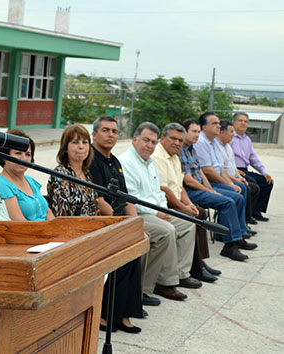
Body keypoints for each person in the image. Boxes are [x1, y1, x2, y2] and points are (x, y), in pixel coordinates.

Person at [119, 122, 198, 302]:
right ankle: (151, 287)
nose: (150, 145)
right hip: (137, 213)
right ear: (134, 139)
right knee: (166, 231)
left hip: (155, 211)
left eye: (153, 142)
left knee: (187, 223)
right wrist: (156, 213)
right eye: (146, 140)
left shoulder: (149, 162)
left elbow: (158, 192)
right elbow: (132, 198)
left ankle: (180, 273)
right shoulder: (127, 162)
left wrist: (163, 209)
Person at [89, 116, 143, 333]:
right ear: (94, 134)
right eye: (105, 130)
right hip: (104, 222)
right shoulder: (91, 160)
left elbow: (126, 197)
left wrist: (135, 225)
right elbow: (99, 199)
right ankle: (105, 314)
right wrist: (120, 226)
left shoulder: (115, 161)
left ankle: (122, 314)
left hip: (119, 221)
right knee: (119, 255)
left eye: (114, 131)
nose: (111, 135)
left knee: (135, 250)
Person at [151, 122, 218, 283]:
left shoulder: (174, 156)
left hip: (174, 200)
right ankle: (194, 268)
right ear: (162, 138)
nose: (177, 143)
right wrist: (184, 208)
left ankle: (199, 263)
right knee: (193, 218)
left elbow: (179, 186)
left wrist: (189, 205)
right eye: (173, 138)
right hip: (163, 204)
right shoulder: (158, 157)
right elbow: (165, 190)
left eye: (180, 140)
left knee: (198, 211)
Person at [180, 119, 255, 262]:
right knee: (228, 202)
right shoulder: (181, 150)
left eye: (197, 132)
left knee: (238, 196)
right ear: (185, 132)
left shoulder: (191, 148)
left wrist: (210, 189)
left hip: (201, 187)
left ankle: (235, 236)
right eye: (194, 131)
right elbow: (189, 180)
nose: (197, 135)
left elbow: (201, 172)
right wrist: (209, 191)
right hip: (190, 191)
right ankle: (230, 246)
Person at [195, 112, 255, 242]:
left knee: (241, 188)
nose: (218, 126)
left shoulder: (213, 143)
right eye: (214, 123)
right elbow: (208, 171)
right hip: (208, 181)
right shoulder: (201, 142)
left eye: (218, 123)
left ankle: (238, 230)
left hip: (214, 179)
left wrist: (232, 182)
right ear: (204, 127)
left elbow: (221, 168)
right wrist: (229, 184)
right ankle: (232, 235)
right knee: (235, 195)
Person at [0, 129, 55, 221]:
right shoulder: (1, 186)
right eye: (18, 153)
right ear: (4, 155)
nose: (23, 158)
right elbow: (21, 225)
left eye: (28, 154)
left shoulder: (30, 181)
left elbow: (47, 212)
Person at [47, 124, 99, 217]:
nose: (81, 146)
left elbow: (95, 210)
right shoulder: (60, 175)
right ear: (65, 148)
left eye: (85, 142)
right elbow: (62, 216)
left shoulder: (87, 173)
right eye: (75, 142)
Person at [230, 112, 274, 222]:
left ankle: (256, 211)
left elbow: (253, 159)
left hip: (245, 170)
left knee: (267, 182)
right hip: (234, 170)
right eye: (240, 121)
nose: (243, 123)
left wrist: (264, 172)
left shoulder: (247, 140)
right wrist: (236, 170)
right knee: (253, 183)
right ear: (234, 122)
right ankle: (247, 215)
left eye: (245, 121)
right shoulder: (229, 137)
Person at [216, 119, 260, 226]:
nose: (233, 135)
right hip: (222, 179)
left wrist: (238, 176)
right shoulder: (216, 146)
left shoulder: (227, 146)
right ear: (222, 133)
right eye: (231, 132)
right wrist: (234, 181)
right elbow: (220, 170)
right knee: (245, 188)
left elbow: (232, 164)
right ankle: (242, 223)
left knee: (253, 186)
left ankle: (245, 221)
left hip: (233, 176)